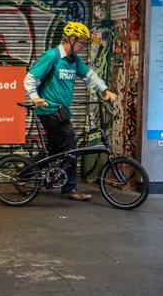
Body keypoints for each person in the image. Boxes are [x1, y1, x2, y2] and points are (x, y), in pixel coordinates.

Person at [24, 21, 118, 201]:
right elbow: (30, 78)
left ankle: (26, 173)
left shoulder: (74, 60)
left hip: (62, 112)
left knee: (55, 148)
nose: (83, 46)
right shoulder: (52, 57)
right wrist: (35, 98)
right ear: (71, 39)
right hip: (49, 110)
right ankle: (69, 188)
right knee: (70, 146)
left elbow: (90, 76)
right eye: (81, 42)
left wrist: (105, 90)